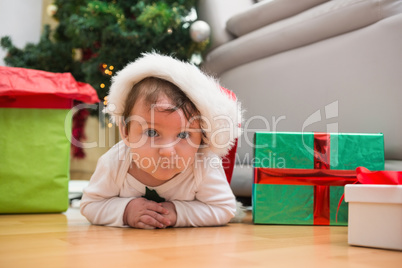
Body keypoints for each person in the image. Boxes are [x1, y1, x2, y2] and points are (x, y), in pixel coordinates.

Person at [80, 53, 242, 229]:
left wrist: (177, 213)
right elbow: (90, 205)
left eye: (183, 135)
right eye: (151, 132)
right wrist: (126, 211)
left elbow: (224, 208)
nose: (167, 150)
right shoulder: (115, 162)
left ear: (202, 138)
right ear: (126, 132)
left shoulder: (204, 164)